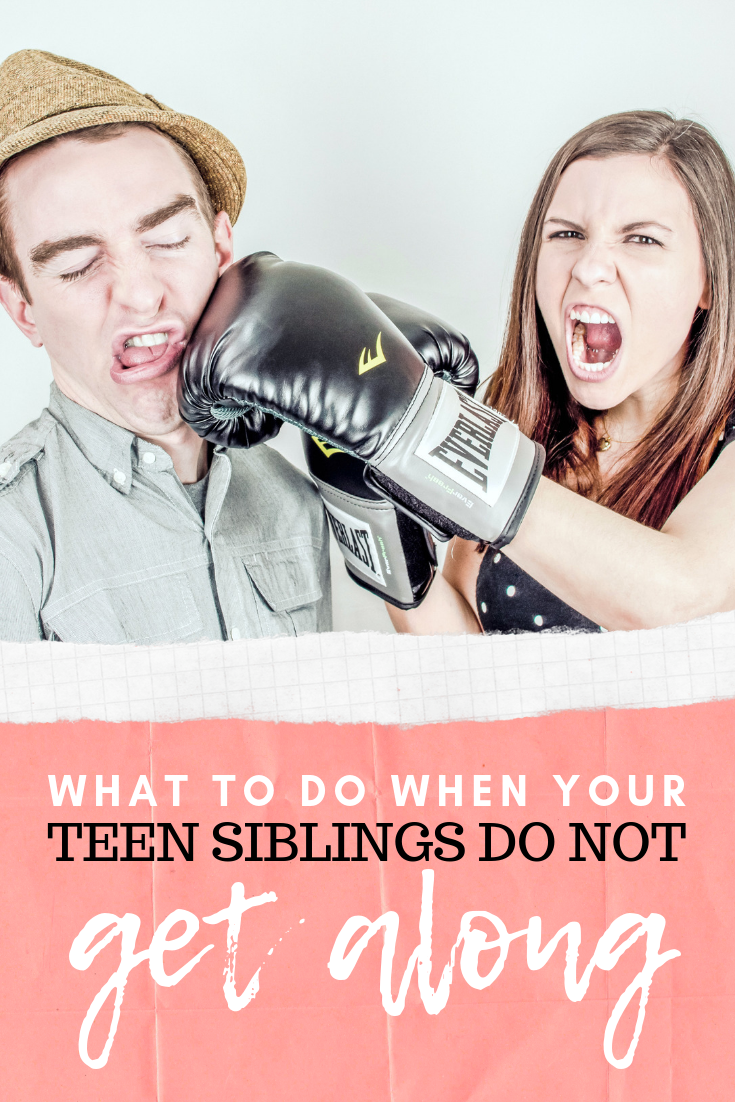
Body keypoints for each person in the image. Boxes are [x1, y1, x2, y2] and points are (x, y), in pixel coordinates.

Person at [178, 110, 735, 638]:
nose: (588, 266)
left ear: (710, 280)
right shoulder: (521, 417)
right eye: (566, 234)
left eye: (642, 239)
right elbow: (465, 652)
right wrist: (368, 511)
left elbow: (684, 598)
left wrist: (423, 432)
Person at [0, 49, 332, 643]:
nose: (140, 294)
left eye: (168, 239)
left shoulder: (296, 497)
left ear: (221, 249)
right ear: (24, 312)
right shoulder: (13, 534)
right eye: (77, 266)